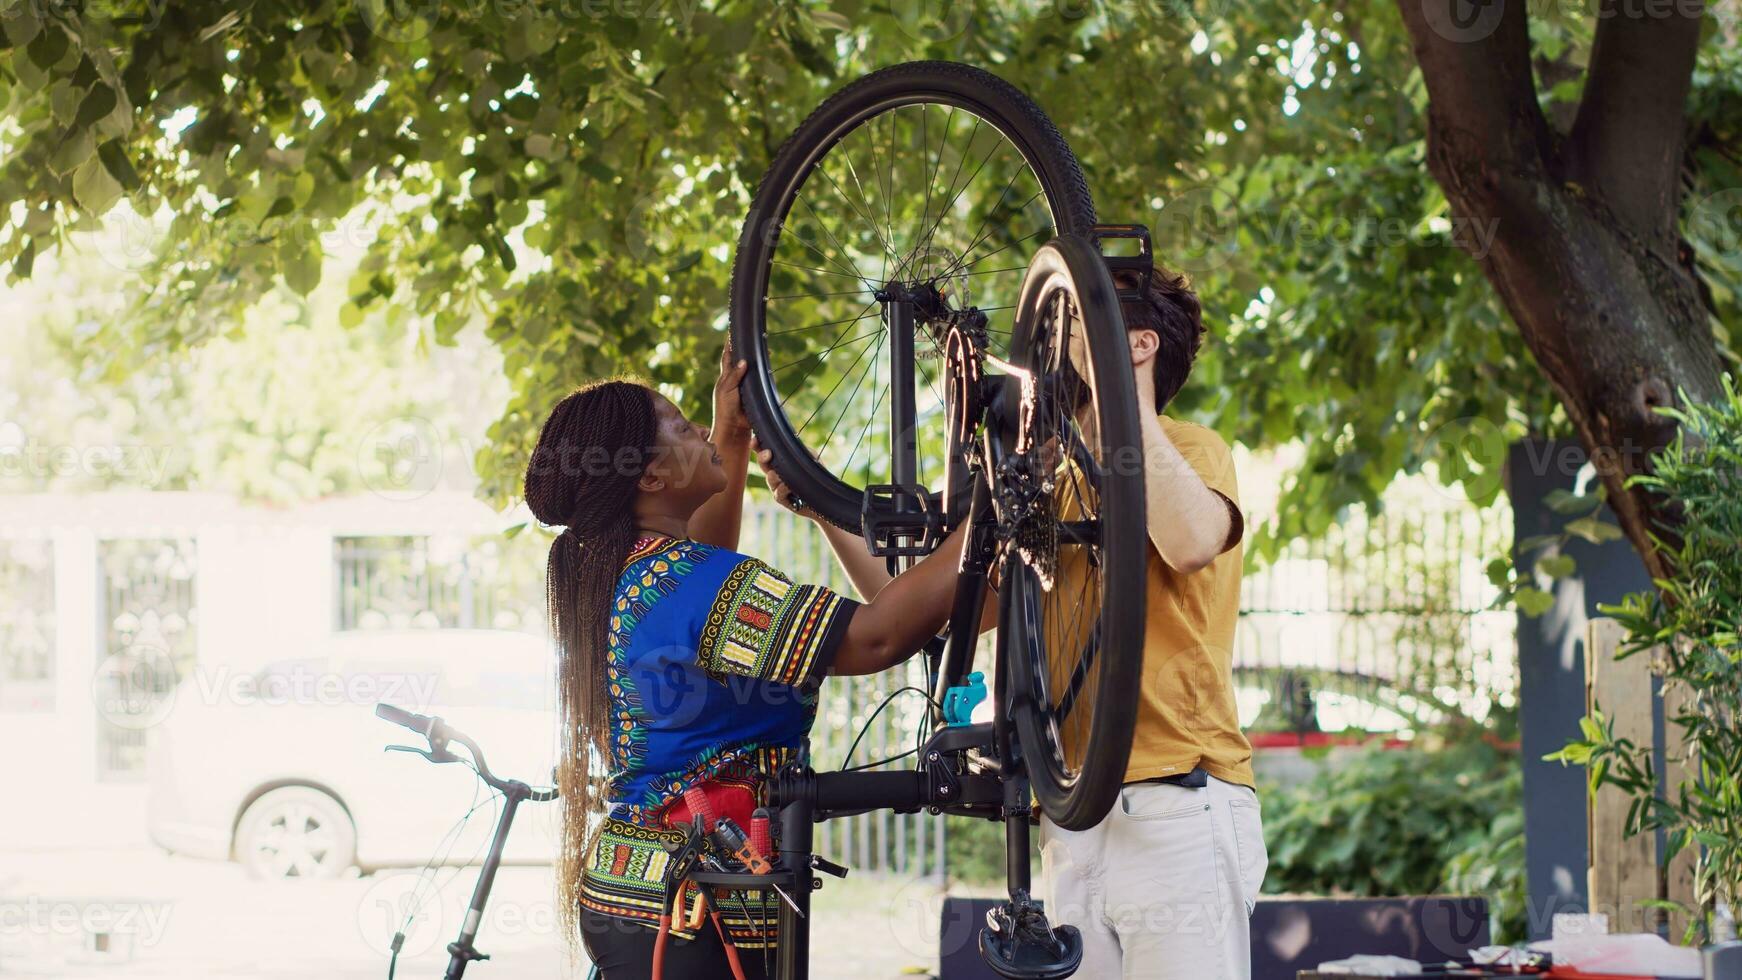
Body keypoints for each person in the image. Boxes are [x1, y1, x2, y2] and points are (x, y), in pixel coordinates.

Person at [759, 263, 1263, 980]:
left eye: (1082, 325)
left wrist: (1128, 394)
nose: (1054, 344)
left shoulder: (1189, 448)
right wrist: (818, 510)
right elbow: (922, 608)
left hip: (1176, 804)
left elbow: (1187, 541)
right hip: (1073, 818)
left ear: (1140, 346)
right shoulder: (1044, 486)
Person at [522, 346, 968, 980]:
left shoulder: (629, 574)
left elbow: (702, 569)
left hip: (646, 891)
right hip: (697, 911)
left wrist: (729, 432)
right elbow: (874, 640)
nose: (697, 430)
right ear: (649, 477)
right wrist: (985, 518)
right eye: (680, 427)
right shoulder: (695, 584)